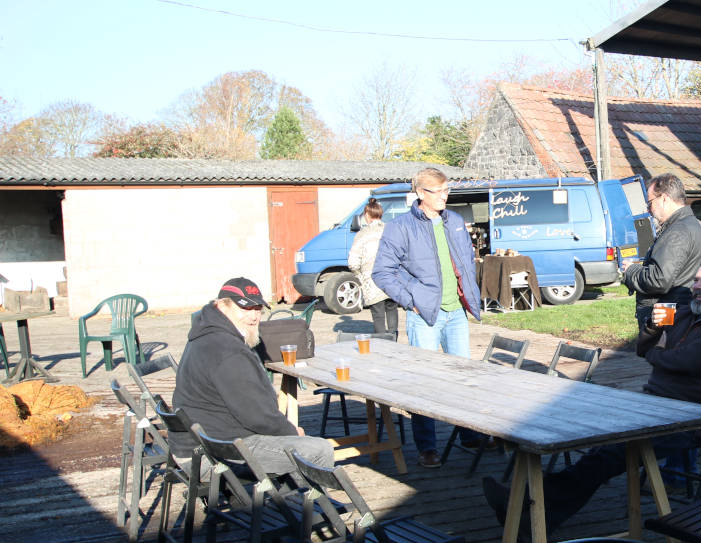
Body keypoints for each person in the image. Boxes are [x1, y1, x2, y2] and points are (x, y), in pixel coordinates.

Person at [482, 259, 701, 538]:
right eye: (695, 280)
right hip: (653, 404)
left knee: (610, 454)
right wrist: (653, 329)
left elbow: (680, 362)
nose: (696, 287)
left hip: (693, 419)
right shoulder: (682, 314)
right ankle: (534, 512)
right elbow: (642, 350)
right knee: (598, 440)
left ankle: (526, 505)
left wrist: (659, 354)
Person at [372, 167, 485, 469]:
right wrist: (412, 301)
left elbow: (466, 263)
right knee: (424, 381)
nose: (446, 196)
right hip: (425, 316)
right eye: (439, 191)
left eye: (448, 190)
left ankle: (469, 434)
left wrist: (467, 294)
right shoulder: (400, 227)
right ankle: (427, 446)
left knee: (463, 377)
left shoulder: (457, 222)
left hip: (456, 313)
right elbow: (382, 272)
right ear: (421, 193)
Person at [171, 277, 335, 476]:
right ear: (222, 306)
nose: (254, 316)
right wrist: (293, 433)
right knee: (318, 449)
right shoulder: (228, 352)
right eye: (245, 309)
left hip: (199, 444)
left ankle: (288, 498)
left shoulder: (206, 334)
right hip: (213, 456)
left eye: (258, 309)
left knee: (296, 444)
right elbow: (259, 416)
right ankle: (306, 504)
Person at [622, 172, 701, 330]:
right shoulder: (691, 225)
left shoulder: (677, 232)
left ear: (664, 198)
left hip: (668, 318)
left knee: (662, 353)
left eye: (650, 203)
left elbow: (659, 280)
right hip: (680, 313)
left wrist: (631, 271)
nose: (649, 209)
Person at [348, 198, 397, 336]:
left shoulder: (362, 234)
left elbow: (353, 262)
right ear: (380, 214)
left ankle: (382, 341)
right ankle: (394, 337)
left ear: (367, 216)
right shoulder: (391, 230)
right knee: (392, 307)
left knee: (378, 313)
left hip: (372, 279)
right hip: (392, 277)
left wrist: (359, 274)